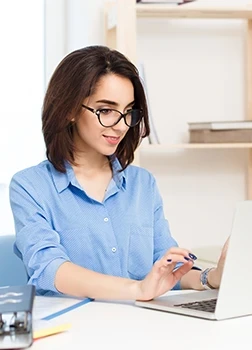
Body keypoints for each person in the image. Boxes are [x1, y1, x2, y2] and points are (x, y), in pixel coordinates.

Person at [9, 45, 228, 301]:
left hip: (139, 324)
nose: (121, 125)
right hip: (72, 330)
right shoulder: (30, 186)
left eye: (128, 112)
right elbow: (49, 268)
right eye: (105, 110)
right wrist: (136, 289)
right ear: (69, 110)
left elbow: (165, 266)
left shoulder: (142, 184)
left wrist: (211, 277)